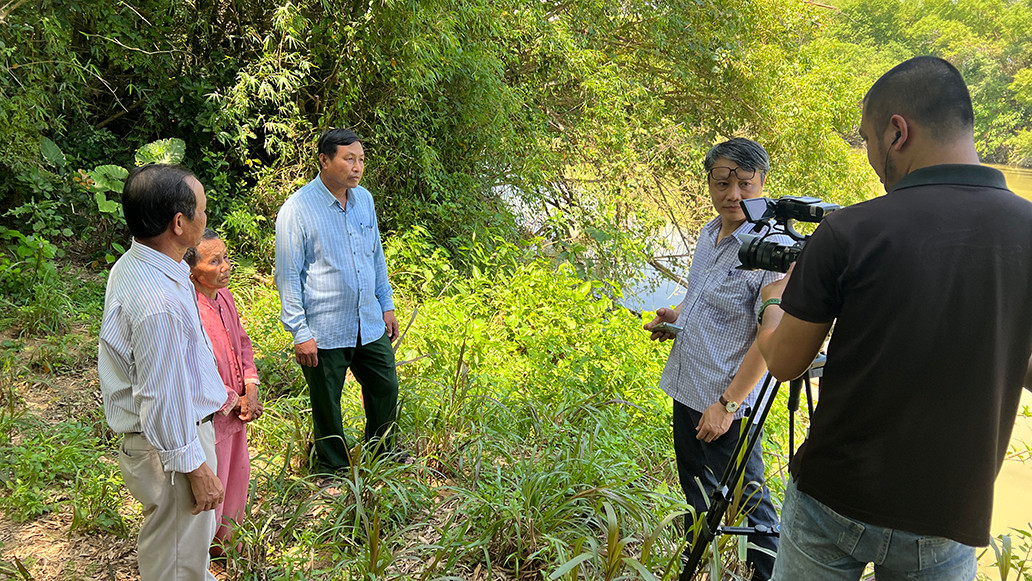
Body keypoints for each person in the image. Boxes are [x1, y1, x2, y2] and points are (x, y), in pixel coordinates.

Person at [756, 56, 1032, 580]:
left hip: (832, 498)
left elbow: (786, 362)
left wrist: (773, 301)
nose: (870, 158)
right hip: (948, 515)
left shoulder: (849, 231)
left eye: (866, 140)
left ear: (896, 131)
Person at [645, 138, 782, 580]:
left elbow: (772, 336)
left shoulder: (771, 249)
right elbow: (702, 295)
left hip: (726, 402)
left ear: (762, 183)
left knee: (749, 500)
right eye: (723, 182)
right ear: (709, 183)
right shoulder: (709, 232)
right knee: (693, 488)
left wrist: (726, 406)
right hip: (688, 387)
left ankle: (770, 573)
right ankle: (695, 562)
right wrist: (676, 317)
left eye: (745, 183)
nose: (733, 194)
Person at [98, 164, 226, 581]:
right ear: (179, 223)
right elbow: (163, 396)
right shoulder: (159, 304)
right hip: (172, 449)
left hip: (167, 442)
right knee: (177, 564)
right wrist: (195, 468)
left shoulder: (136, 266)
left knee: (182, 553)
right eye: (202, 211)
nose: (206, 219)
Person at [275, 128, 402, 480]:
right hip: (325, 326)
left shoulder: (365, 201)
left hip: (368, 319)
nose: (357, 167)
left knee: (384, 384)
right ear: (324, 160)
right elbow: (287, 275)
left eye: (360, 159)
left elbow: (375, 256)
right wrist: (299, 332)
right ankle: (331, 466)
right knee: (327, 400)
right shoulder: (297, 209)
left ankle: (381, 452)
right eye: (349, 159)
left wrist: (386, 305)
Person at [185, 228, 263, 557]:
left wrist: (252, 387)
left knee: (237, 477)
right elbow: (199, 371)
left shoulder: (225, 298)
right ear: (192, 269)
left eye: (226, 258)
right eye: (214, 261)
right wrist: (234, 400)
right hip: (211, 419)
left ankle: (227, 548)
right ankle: (199, 556)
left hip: (236, 415)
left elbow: (242, 344)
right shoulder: (189, 309)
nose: (225, 266)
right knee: (213, 484)